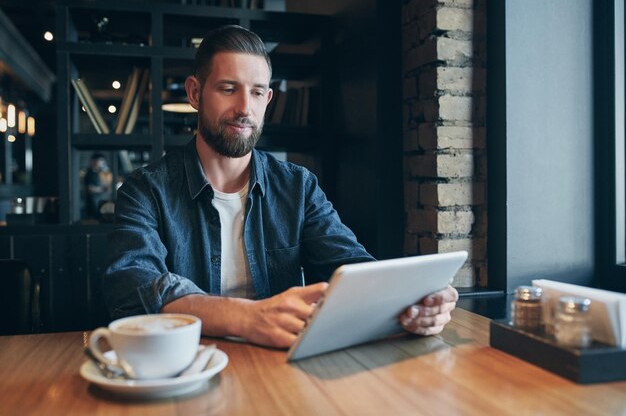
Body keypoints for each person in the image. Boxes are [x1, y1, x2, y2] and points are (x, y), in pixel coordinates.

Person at [103, 25, 458, 349]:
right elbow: (132, 287)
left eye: (257, 93)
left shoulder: (298, 187)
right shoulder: (145, 189)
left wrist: (410, 304)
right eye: (229, 89)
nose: (245, 108)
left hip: (278, 363)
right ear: (195, 93)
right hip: (187, 365)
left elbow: (350, 268)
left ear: (268, 100)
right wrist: (246, 317)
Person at [84, 153, 111, 219]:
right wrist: (102, 189)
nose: (102, 163)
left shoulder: (100, 173)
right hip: (93, 204)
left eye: (103, 161)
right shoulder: (90, 173)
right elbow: (89, 188)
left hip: (100, 202)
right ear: (93, 161)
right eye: (100, 161)